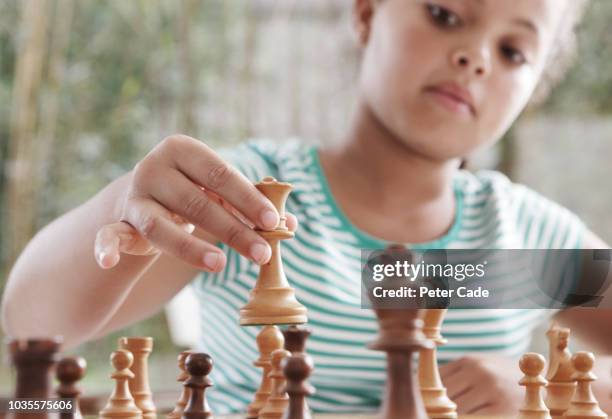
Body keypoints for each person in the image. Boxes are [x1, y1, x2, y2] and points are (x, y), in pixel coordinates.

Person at [2, 0, 611, 415]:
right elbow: (32, 322)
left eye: (512, 52)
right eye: (444, 13)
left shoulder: (527, 244)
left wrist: (557, 387)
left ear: (536, 87)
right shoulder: (241, 200)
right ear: (368, 12)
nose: (475, 55)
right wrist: (123, 205)